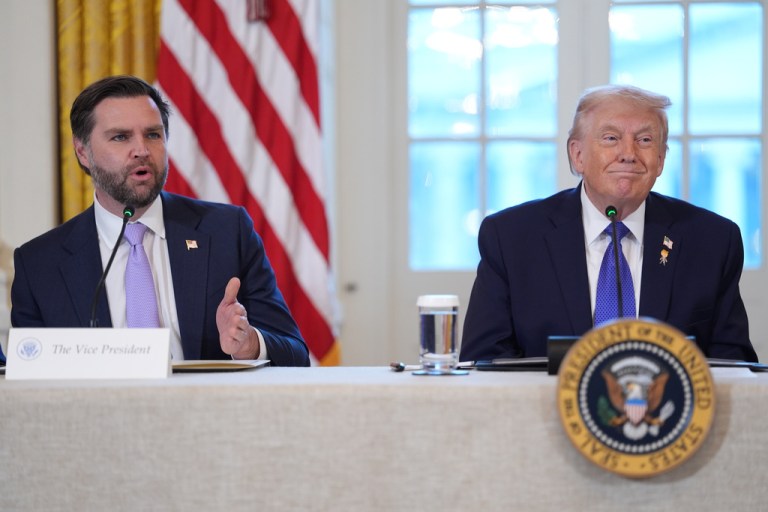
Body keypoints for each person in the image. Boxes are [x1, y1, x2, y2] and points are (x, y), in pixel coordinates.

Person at [11, 75, 309, 366]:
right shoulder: (39, 264)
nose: (141, 150)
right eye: (120, 137)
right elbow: (30, 376)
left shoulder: (227, 232)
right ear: (83, 152)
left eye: (153, 134)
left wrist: (249, 345)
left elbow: (296, 354)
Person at [460, 84, 757, 363]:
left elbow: (733, 365)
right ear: (577, 155)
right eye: (611, 138)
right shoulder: (511, 237)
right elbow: (485, 360)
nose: (628, 154)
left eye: (644, 140)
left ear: (661, 159)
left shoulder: (712, 240)